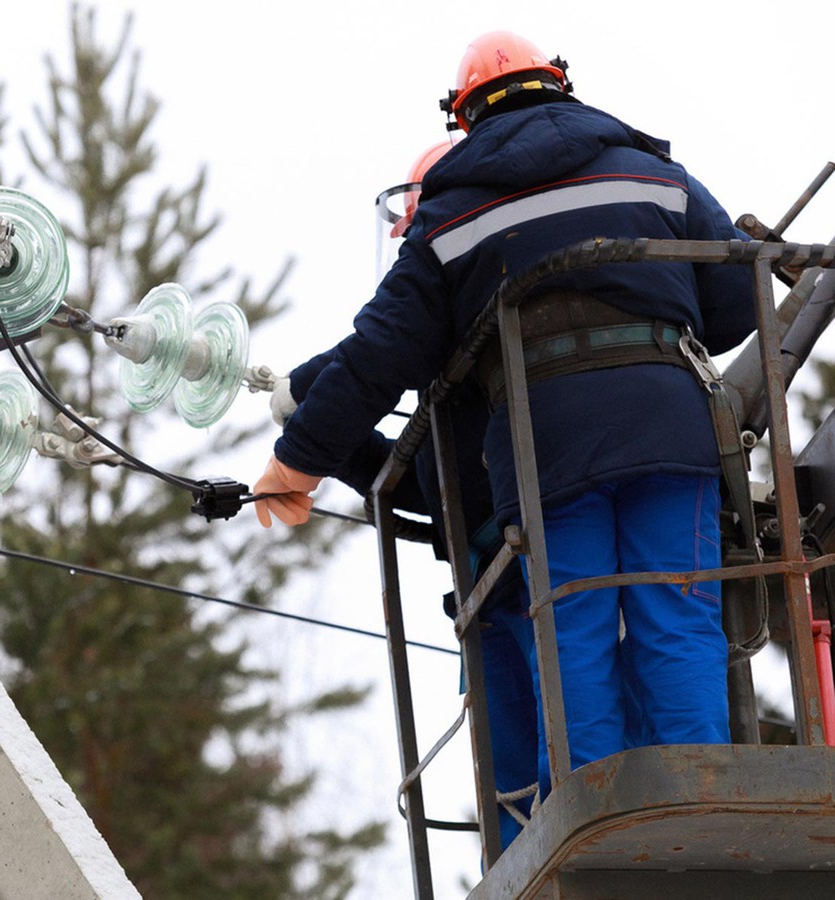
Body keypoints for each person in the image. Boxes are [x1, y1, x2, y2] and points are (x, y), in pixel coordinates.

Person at [253, 30, 755, 802]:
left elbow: (381, 353)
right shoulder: (655, 173)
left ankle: (596, 824)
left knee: (573, 633)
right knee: (678, 620)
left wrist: (298, 460)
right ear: (559, 85)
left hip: (542, 445)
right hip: (669, 427)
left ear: (465, 118)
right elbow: (737, 303)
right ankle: (709, 808)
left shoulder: (451, 216)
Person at [269, 142, 540, 850]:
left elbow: (375, 353)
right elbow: (425, 477)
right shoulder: (468, 332)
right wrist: (329, 437)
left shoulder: (473, 293)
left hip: (532, 551)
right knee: (527, 758)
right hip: (493, 574)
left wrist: (305, 413)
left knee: (561, 736)